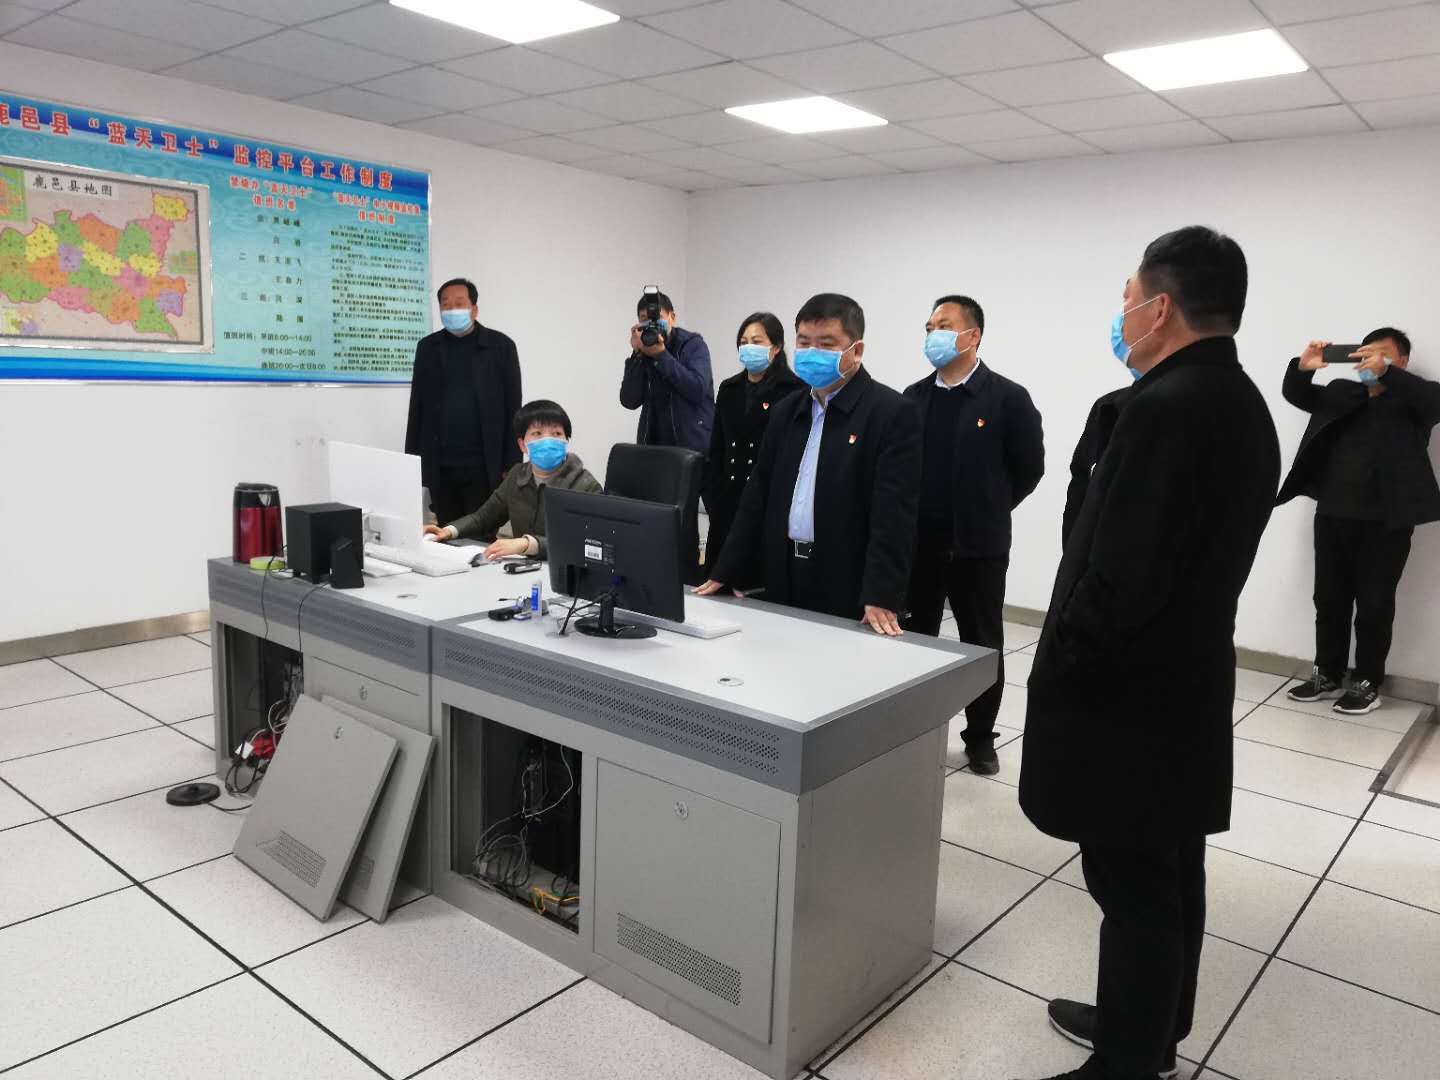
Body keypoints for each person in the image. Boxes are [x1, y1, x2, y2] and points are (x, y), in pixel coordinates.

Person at [1016, 227, 1280, 1080]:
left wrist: (1063, 669)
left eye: (1127, 296)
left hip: (1127, 700)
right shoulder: (1237, 400)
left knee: (1132, 887)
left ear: (1159, 307)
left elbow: (1120, 577)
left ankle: (1127, 1064)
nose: (1122, 311)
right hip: (1184, 683)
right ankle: (1151, 1027)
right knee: (1170, 873)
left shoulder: (1164, 410)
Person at [698, 293, 921, 636]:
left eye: (826, 344)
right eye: (804, 342)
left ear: (856, 351)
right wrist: (726, 568)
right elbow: (757, 494)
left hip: (846, 576)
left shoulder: (891, 413)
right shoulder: (786, 411)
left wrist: (881, 592)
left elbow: (893, 514)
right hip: (782, 570)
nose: (812, 352)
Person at [902, 295, 1044, 775]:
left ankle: (980, 737)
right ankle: (912, 731)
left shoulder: (1007, 398)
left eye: (943, 326)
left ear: (973, 335)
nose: (932, 335)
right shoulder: (913, 398)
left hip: (978, 547)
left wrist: (989, 507)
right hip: (920, 546)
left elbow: (1029, 468)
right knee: (912, 640)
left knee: (981, 645)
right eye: (928, 327)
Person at [1278, 328, 1440, 715]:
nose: (1370, 360)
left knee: (1374, 605)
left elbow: (1435, 400)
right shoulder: (1341, 393)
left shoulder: (1414, 402)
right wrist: (1302, 368)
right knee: (1328, 599)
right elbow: (1297, 395)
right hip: (1332, 515)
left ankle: (1368, 682)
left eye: (1382, 355)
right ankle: (1327, 674)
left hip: (1386, 523)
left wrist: (1388, 375)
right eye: (1366, 353)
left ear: (1401, 362)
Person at [405, 277, 522, 526]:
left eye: (459, 303)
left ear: (474, 309)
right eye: (445, 305)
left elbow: (514, 408)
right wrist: (412, 463)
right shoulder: (427, 348)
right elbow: (417, 408)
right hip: (440, 464)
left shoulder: (501, 346)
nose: (452, 310)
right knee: (446, 531)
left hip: (485, 465)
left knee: (482, 532)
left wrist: (512, 464)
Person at [425, 400, 601, 559]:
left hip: (565, 574)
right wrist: (448, 531)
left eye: (556, 433)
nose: (548, 440)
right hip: (522, 569)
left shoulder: (586, 485)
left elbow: (586, 543)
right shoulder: (517, 475)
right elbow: (483, 518)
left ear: (565, 440)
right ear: (522, 444)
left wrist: (527, 544)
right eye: (537, 433)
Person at [703, 312, 804, 577]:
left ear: (776, 347)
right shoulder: (729, 388)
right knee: (716, 581)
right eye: (743, 341)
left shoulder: (794, 391)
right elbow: (716, 448)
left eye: (757, 341)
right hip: (726, 502)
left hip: (766, 505)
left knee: (755, 586)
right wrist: (713, 496)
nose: (748, 347)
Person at [619, 288, 714, 453]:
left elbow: (697, 389)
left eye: (657, 318)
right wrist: (637, 354)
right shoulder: (644, 351)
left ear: (672, 317)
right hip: (653, 449)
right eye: (645, 320)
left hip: (692, 449)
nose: (652, 324)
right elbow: (629, 400)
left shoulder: (692, 344)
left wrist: (661, 356)